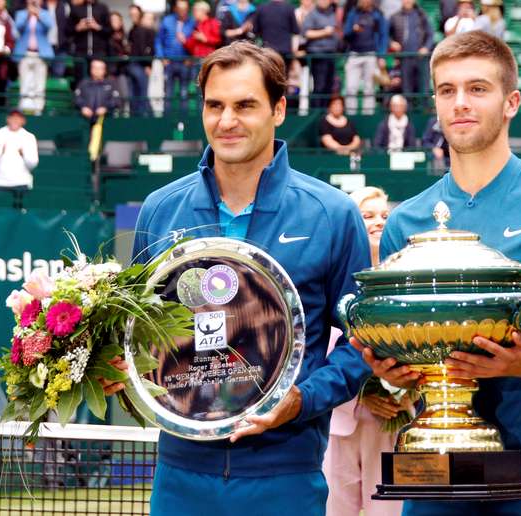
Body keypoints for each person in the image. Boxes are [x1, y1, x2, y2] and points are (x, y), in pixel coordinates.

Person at [351, 30, 521, 516]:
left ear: (511, 101)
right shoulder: (405, 221)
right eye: (447, 91)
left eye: (477, 88)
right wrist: (393, 374)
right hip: (435, 467)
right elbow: (404, 358)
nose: (460, 104)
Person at [127, 40, 371, 516]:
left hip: (286, 474)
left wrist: (301, 400)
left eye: (245, 105)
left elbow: (363, 343)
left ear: (279, 109)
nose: (226, 120)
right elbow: (138, 332)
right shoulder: (159, 209)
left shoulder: (333, 213)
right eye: (214, 105)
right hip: (179, 476)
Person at [323, 186, 405, 516]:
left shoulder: (406, 284)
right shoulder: (332, 278)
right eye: (367, 215)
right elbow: (322, 352)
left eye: (385, 216)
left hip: (394, 425)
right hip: (338, 425)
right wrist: (361, 396)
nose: (377, 222)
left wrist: (405, 389)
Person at [0, 110, 39, 209]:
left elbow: (33, 163)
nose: (15, 120)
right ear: (8, 119)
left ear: (23, 121)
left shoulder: (29, 137)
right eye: (12, 117)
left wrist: (24, 154)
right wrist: (0, 152)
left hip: (22, 184)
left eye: (18, 118)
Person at [343, 0, 388, 115]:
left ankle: (368, 114)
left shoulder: (378, 14)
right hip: (354, 54)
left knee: (369, 88)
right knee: (350, 87)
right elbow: (345, 34)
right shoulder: (353, 13)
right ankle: (350, 114)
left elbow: (383, 35)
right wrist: (353, 30)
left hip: (370, 54)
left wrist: (381, 55)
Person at [13, 0, 54, 115]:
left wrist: (38, 15)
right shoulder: (21, 14)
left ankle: (38, 110)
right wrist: (28, 15)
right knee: (24, 83)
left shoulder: (45, 14)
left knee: (39, 84)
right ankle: (23, 110)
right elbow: (18, 27)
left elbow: (49, 26)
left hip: (40, 54)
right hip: (24, 53)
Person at [156, 0, 196, 113]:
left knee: (184, 93)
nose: (182, 11)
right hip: (169, 63)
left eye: (184, 9)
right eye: (180, 8)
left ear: (188, 9)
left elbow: (195, 43)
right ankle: (167, 120)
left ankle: (184, 120)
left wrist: (191, 58)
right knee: (168, 92)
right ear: (175, 9)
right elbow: (159, 40)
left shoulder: (192, 23)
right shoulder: (167, 21)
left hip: (185, 63)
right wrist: (161, 57)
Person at [388, 0, 433, 99]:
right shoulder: (394, 17)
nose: (407, 1)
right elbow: (385, 35)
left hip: (421, 58)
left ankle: (424, 112)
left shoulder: (421, 15)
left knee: (423, 89)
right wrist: (391, 43)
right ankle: (408, 111)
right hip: (404, 58)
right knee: (406, 89)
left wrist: (426, 47)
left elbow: (430, 34)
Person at [302, 0, 339, 108]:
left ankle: (325, 112)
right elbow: (306, 33)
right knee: (319, 86)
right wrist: (324, 32)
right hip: (318, 55)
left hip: (331, 54)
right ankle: (316, 113)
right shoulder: (312, 14)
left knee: (329, 86)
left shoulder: (332, 13)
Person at [67, 0, 111, 83]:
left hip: (98, 52)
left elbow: (109, 31)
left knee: (98, 79)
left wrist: (97, 27)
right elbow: (67, 31)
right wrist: (78, 28)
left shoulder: (102, 8)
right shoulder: (76, 8)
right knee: (80, 80)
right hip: (80, 51)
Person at [253, 0, 299, 70]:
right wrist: (294, 54)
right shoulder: (289, 8)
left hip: (267, 51)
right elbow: (295, 32)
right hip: (285, 52)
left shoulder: (261, 8)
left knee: (269, 77)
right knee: (283, 78)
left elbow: (255, 31)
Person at [127, 8, 156, 116]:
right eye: (147, 18)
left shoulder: (137, 30)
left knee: (136, 93)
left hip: (136, 64)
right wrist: (148, 64)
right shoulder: (143, 30)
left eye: (151, 19)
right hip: (139, 65)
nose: (149, 21)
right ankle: (143, 116)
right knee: (141, 93)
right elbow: (146, 49)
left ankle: (138, 115)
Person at [75, 58, 120, 123]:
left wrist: (106, 108)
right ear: (91, 69)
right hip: (84, 120)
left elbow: (116, 100)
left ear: (104, 70)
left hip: (106, 120)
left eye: (99, 68)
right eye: (94, 68)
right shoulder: (83, 83)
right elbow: (76, 98)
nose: (97, 70)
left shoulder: (111, 84)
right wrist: (83, 107)